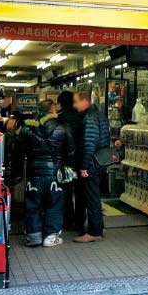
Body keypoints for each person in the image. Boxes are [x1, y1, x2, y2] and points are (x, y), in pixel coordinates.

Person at [17, 100, 74, 248]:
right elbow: (71, 151)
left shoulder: (27, 128)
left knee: (33, 205)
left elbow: (18, 150)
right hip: (55, 174)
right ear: (53, 111)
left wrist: (16, 174)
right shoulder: (63, 128)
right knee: (55, 205)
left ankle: (34, 236)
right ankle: (51, 236)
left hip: (34, 174)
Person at [73, 90, 110, 243]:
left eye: (76, 101)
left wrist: (84, 166)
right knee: (95, 196)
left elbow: (89, 143)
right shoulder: (99, 114)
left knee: (92, 197)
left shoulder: (90, 117)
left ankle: (95, 232)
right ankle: (98, 227)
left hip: (92, 163)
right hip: (100, 161)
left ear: (85, 101)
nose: (74, 105)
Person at [56, 91, 84, 232]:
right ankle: (79, 222)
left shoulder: (59, 119)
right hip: (80, 159)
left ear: (60, 103)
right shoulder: (81, 116)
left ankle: (68, 221)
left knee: (65, 191)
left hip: (65, 159)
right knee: (80, 191)